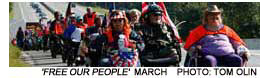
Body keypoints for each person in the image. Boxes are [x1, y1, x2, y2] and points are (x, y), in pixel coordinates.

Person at [184, 5, 250, 67]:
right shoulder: (199, 31)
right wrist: (194, 48)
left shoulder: (226, 29)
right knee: (209, 61)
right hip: (209, 55)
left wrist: (242, 50)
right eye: (212, 15)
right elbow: (190, 44)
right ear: (207, 17)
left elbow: (236, 42)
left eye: (216, 15)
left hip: (228, 54)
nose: (214, 18)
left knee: (237, 60)